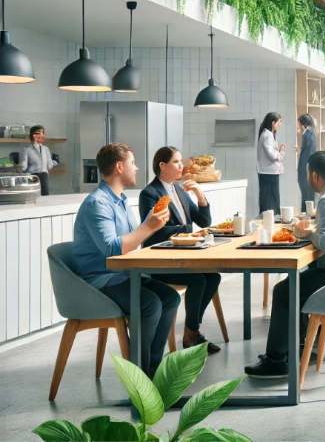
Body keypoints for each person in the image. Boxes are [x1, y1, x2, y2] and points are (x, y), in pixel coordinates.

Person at [245, 151, 325, 378]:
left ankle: (276, 362)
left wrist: (307, 236)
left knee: (284, 291)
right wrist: (312, 233)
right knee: (300, 279)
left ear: (313, 175)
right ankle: (295, 349)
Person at [69, 142, 178, 377]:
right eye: (132, 163)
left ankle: (153, 367)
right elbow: (111, 249)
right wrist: (148, 227)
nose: (137, 168)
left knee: (170, 298)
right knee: (150, 304)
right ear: (120, 166)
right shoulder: (97, 203)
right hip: (100, 281)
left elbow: (131, 242)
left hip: (124, 275)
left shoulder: (121, 201)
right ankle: (139, 373)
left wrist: (150, 224)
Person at [139, 146, 221, 354]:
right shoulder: (149, 194)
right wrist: (188, 233)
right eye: (176, 162)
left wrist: (199, 194)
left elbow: (204, 220)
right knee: (199, 279)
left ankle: (191, 332)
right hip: (160, 262)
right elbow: (153, 233)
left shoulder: (178, 191)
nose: (181, 166)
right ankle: (192, 335)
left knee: (213, 277)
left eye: (181, 161)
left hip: (183, 257)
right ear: (162, 165)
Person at [256, 112, 285, 216]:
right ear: (273, 123)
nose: (280, 124)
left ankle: (271, 220)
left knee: (270, 199)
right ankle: (269, 221)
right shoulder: (267, 135)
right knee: (270, 200)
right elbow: (272, 155)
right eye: (279, 122)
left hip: (269, 172)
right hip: (268, 173)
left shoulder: (271, 134)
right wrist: (281, 153)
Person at [20, 125, 57, 196]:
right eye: (39, 133)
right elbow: (24, 165)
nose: (42, 135)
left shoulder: (46, 149)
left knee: (45, 195)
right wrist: (19, 167)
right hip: (32, 175)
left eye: (43, 133)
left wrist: (53, 163)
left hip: (44, 175)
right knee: (32, 195)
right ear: (33, 135)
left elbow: (50, 164)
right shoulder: (27, 149)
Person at [296, 114, 317, 212]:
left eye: (299, 124)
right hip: (309, 167)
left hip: (306, 168)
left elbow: (307, 153)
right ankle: (307, 214)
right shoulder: (311, 133)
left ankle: (306, 215)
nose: (298, 127)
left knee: (307, 195)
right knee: (308, 195)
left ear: (303, 123)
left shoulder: (307, 133)